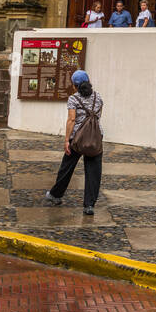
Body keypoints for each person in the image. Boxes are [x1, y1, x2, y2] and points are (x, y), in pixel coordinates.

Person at [44, 70, 103, 216]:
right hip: (95, 138)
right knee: (93, 172)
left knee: (67, 168)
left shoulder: (73, 99)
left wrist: (66, 140)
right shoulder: (98, 97)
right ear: (88, 81)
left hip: (77, 138)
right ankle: (89, 205)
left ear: (74, 85)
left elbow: (71, 120)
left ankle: (55, 195)